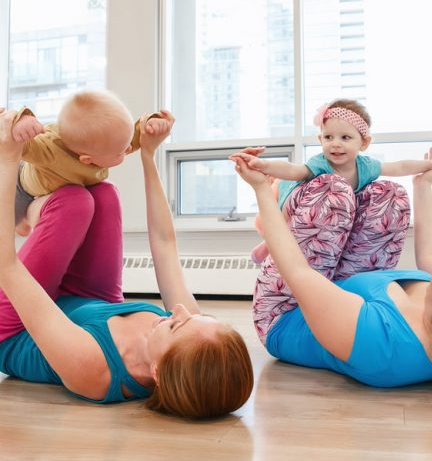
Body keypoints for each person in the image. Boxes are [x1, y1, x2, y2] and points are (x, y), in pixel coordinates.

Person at [231, 144, 432, 416]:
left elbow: (297, 272)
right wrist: (422, 185)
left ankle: (285, 193)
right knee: (389, 197)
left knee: (331, 193)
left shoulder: (380, 343)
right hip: (343, 284)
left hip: (288, 310)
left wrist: (260, 191)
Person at [0, 108, 253, 419]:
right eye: (195, 317)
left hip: (15, 326)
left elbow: (7, 266)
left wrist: (8, 159)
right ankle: (35, 211)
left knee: (72, 203)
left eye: (174, 324)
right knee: (104, 195)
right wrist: (148, 153)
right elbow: (164, 241)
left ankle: (29, 211)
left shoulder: (92, 369)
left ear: (157, 372)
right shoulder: (189, 340)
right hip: (87, 303)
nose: (180, 310)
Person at [231, 99, 432, 263]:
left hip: (331, 217)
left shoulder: (365, 167)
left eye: (345, 138)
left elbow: (399, 167)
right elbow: (292, 170)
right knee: (285, 225)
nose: (335, 144)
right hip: (297, 204)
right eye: (328, 137)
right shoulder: (320, 164)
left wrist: (429, 166)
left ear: (363, 143)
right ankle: (268, 245)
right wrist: (263, 165)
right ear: (321, 139)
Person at [5, 90, 163, 236]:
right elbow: (21, 147)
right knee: (7, 223)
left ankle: (24, 222)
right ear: (87, 159)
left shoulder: (106, 144)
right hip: (22, 186)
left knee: (24, 224)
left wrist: (149, 124)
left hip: (54, 186)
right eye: (121, 152)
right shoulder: (51, 149)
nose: (129, 148)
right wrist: (22, 121)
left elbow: (130, 139)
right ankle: (21, 221)